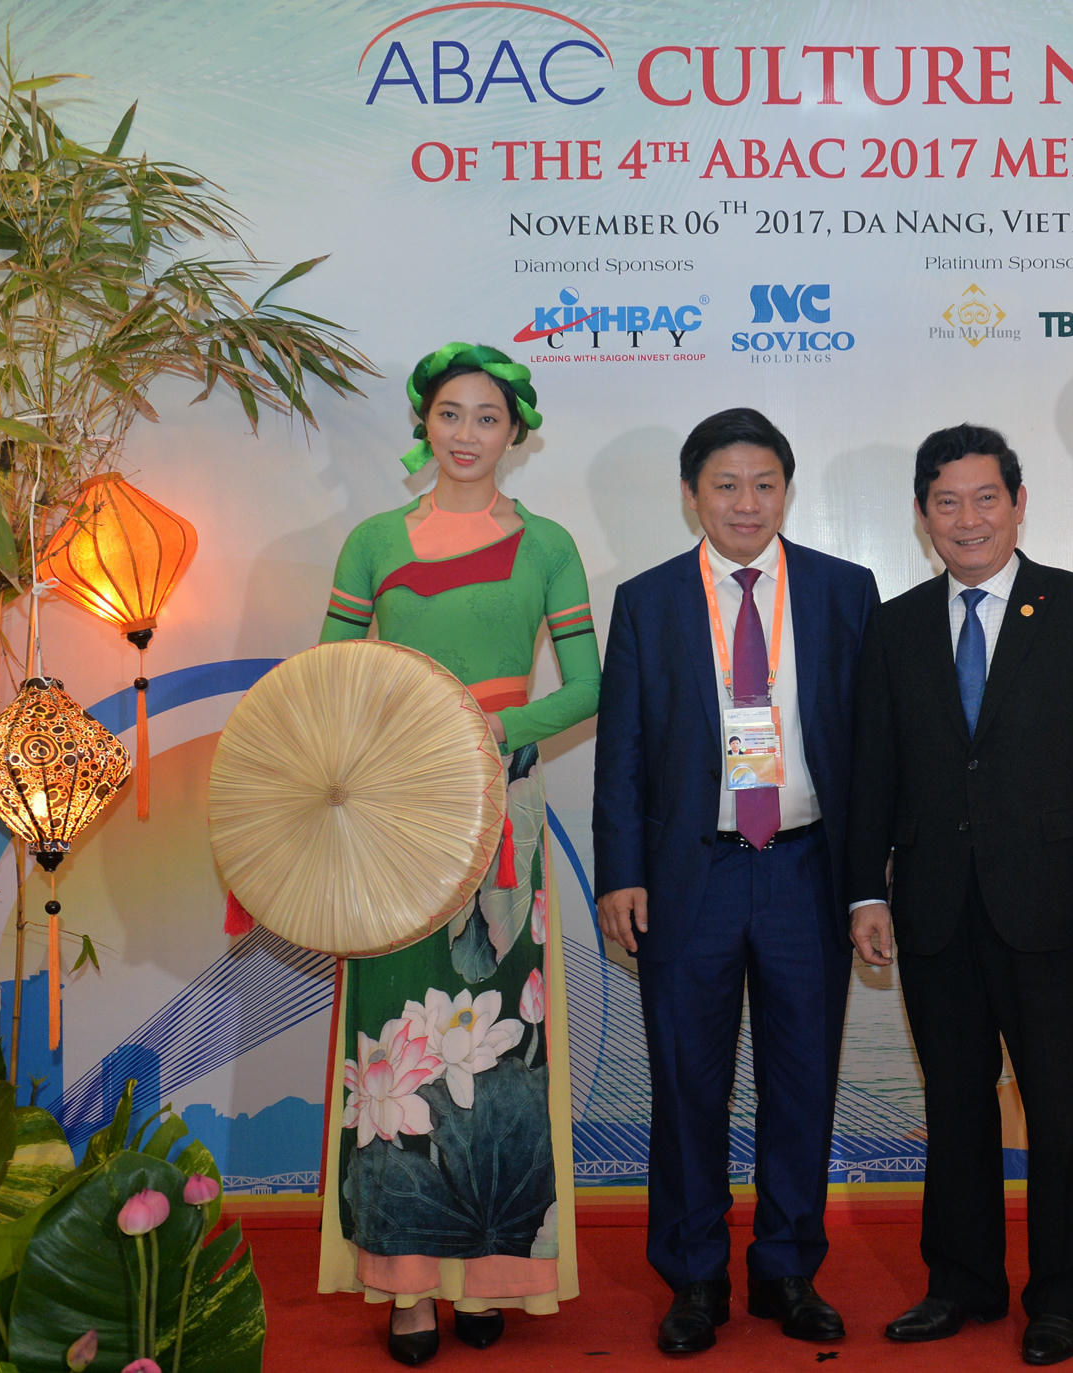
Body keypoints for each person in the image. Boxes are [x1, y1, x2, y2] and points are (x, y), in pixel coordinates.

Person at [314, 343, 600, 1364]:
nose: (467, 433)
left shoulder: (549, 544)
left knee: (499, 1035)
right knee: (393, 1036)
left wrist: (495, 728)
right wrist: (405, 740)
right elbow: (328, 677)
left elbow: (588, 683)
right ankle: (404, 1285)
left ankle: (492, 1274)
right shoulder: (370, 541)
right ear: (422, 423)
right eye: (450, 413)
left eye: (488, 416)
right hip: (396, 807)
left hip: (501, 804)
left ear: (516, 432)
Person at [847, 424, 1073, 1367]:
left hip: (1058, 906)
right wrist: (864, 893)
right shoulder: (895, 624)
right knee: (956, 1103)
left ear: (1018, 505)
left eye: (985, 498)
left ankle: (1062, 1296)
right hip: (935, 906)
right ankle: (961, 1282)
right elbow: (873, 771)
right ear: (923, 514)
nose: (967, 519)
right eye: (947, 501)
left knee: (1062, 1109)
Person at [592, 408, 878, 1355]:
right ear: (691, 495)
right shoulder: (648, 600)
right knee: (687, 1083)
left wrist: (868, 881)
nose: (746, 502)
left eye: (764, 484)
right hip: (691, 874)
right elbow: (622, 751)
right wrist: (621, 872)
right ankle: (696, 1276)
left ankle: (789, 1269)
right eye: (725, 485)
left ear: (787, 491)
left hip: (805, 866)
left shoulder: (844, 590)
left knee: (802, 1081)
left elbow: (872, 749)